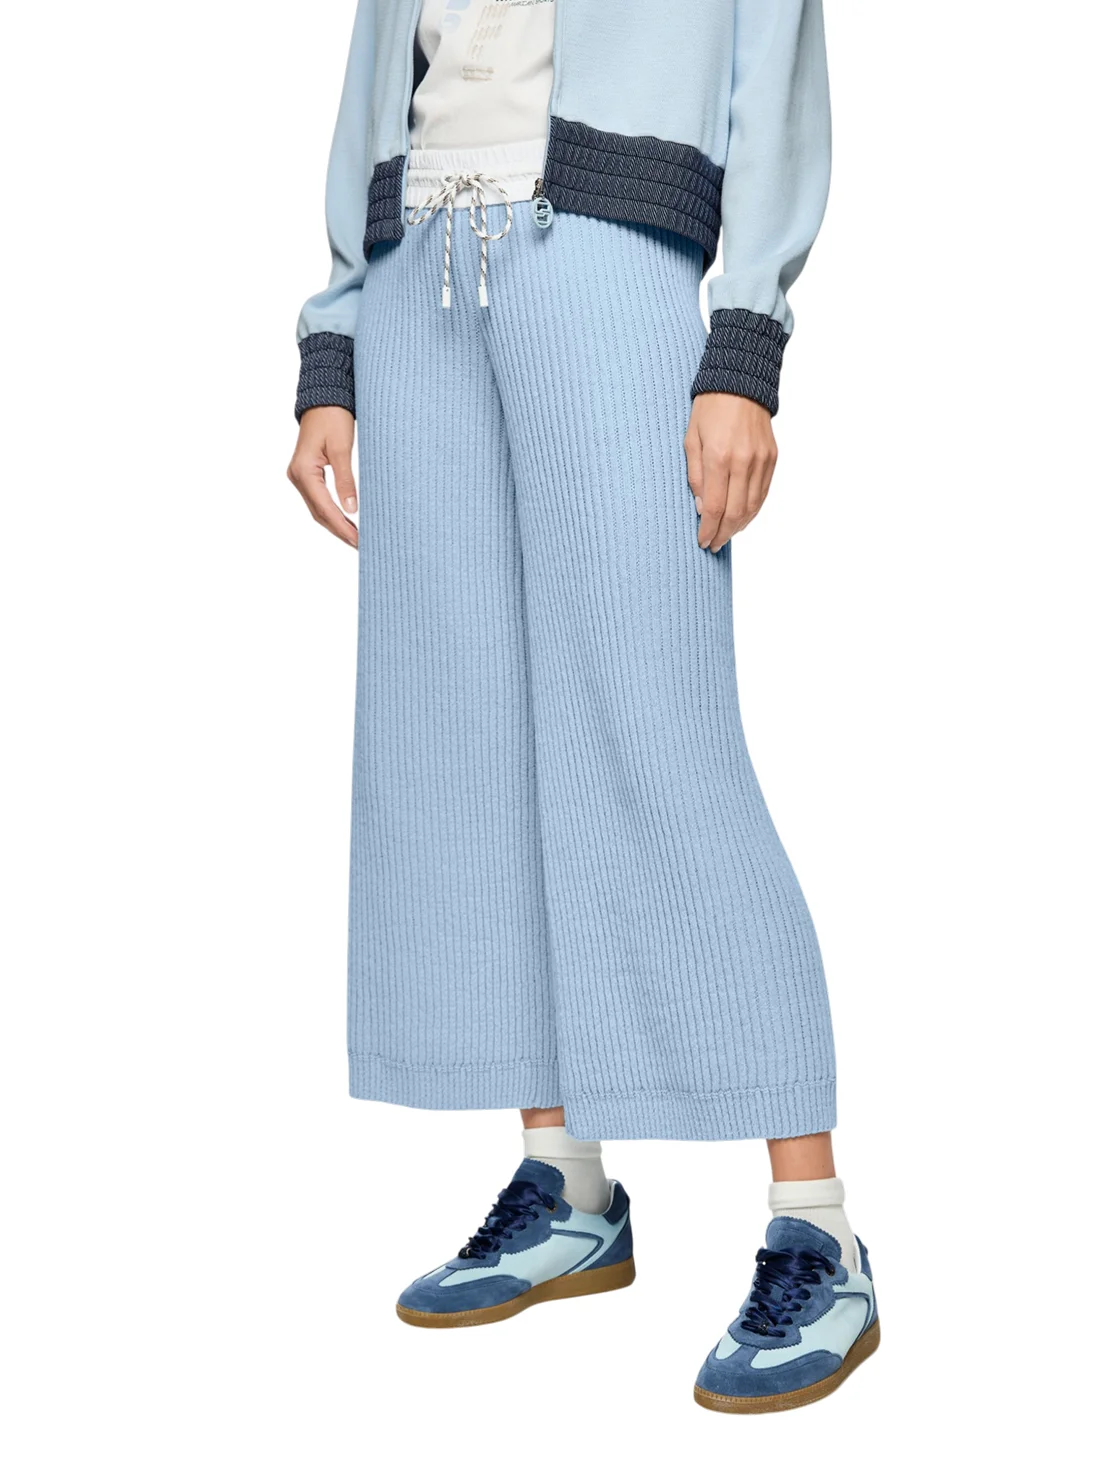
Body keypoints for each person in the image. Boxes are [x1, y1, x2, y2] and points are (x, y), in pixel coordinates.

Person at [287, 0, 877, 1414]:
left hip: (608, 259)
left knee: (659, 739)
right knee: (468, 744)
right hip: (419, 270)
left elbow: (774, 69)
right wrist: (333, 348)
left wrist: (743, 345)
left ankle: (818, 1228)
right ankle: (567, 1186)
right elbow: (377, 77)